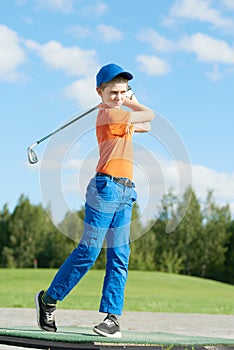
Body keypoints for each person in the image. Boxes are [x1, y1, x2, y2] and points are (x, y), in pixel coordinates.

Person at [35, 63, 155, 338]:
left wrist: (130, 104)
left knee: (119, 255)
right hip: (105, 189)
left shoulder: (121, 115)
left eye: (123, 91)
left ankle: (112, 319)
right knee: (89, 252)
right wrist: (133, 103)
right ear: (99, 93)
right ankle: (48, 300)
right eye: (113, 92)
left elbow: (145, 125)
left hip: (126, 191)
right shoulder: (109, 115)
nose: (119, 96)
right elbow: (149, 115)